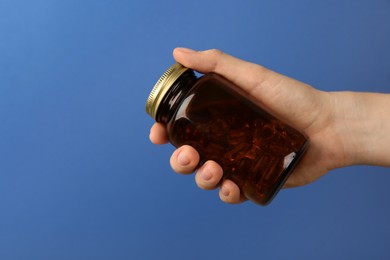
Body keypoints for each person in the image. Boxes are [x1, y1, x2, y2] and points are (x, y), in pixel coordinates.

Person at [149, 47, 390, 204]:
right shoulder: (178, 127)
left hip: (289, 146)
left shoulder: (206, 85)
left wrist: (330, 121)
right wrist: (336, 124)